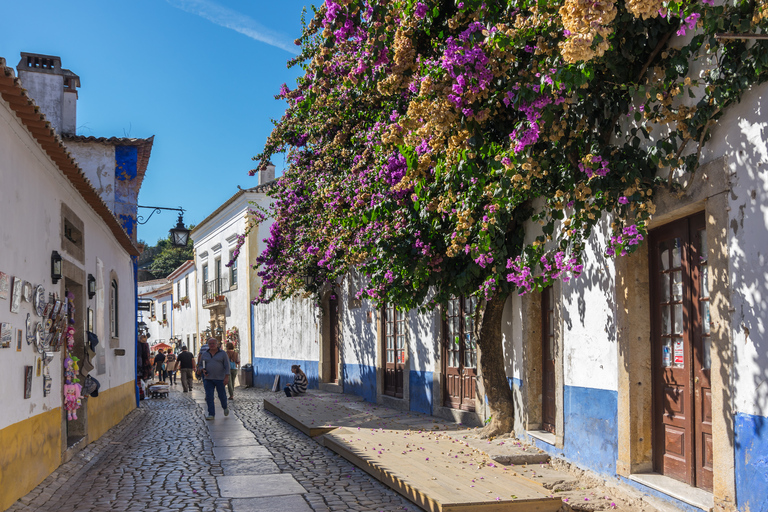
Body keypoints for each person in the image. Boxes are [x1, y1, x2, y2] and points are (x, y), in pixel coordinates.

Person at [199, 337, 230, 419]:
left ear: (217, 344)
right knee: (209, 396)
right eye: (210, 344)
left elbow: (227, 365)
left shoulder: (223, 353)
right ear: (208, 345)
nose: (212, 345)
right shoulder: (205, 354)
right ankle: (211, 414)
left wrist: (226, 377)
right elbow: (201, 365)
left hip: (220, 378)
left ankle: (225, 407)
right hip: (208, 379)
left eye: (213, 343)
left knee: (222, 395)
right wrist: (202, 369)